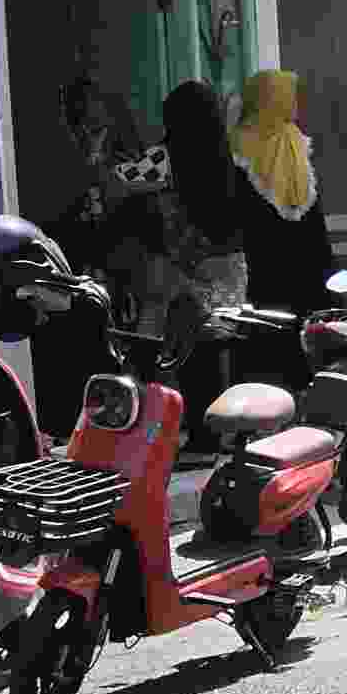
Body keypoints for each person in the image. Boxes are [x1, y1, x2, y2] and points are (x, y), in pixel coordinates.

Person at [104, 79, 250, 444]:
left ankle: (187, 432)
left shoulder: (165, 157)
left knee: (187, 347)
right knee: (217, 346)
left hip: (188, 268)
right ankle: (216, 433)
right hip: (229, 269)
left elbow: (119, 180)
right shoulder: (225, 155)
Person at [229, 68, 335, 318]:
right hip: (285, 262)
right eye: (289, 96)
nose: (295, 104)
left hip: (284, 262)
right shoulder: (247, 144)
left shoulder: (289, 138)